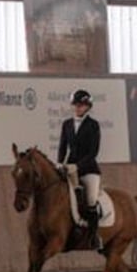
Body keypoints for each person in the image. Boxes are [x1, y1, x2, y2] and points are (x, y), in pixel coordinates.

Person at [57, 89, 103, 250]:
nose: (78, 108)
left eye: (81, 105)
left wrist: (78, 166)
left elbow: (93, 152)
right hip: (70, 168)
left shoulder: (93, 125)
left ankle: (94, 236)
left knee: (90, 200)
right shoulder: (67, 124)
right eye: (75, 105)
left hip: (88, 169)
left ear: (87, 107)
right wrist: (59, 163)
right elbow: (62, 147)